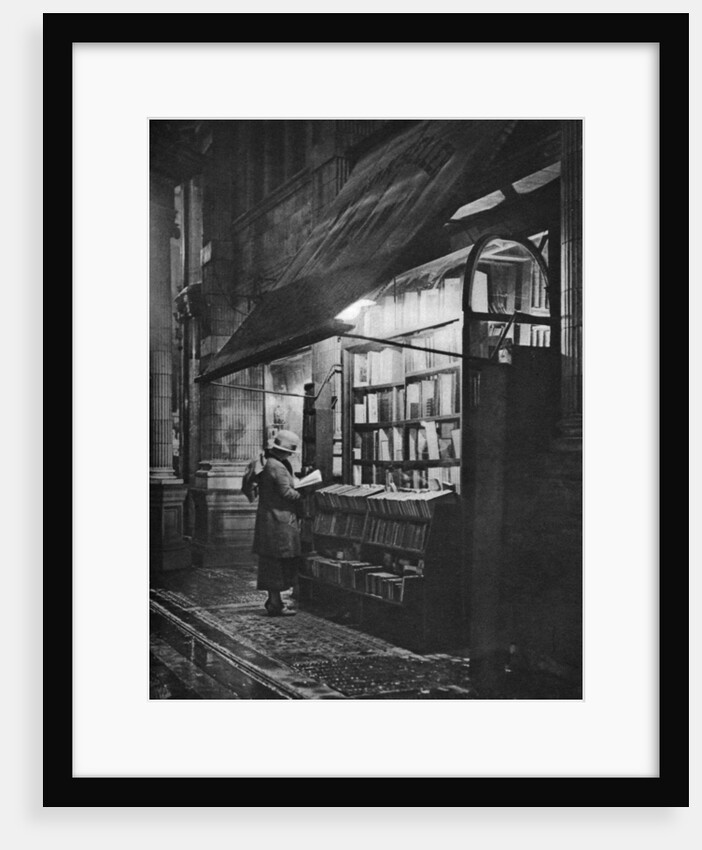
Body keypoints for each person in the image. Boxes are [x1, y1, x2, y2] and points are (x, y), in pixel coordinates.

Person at [252, 430, 303, 617]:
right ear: (283, 451)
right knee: (278, 563)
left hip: (270, 521)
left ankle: (274, 601)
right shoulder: (278, 467)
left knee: (271, 562)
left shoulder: (270, 463)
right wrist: (303, 492)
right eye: (289, 452)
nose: (290, 455)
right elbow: (286, 493)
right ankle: (275, 603)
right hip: (279, 522)